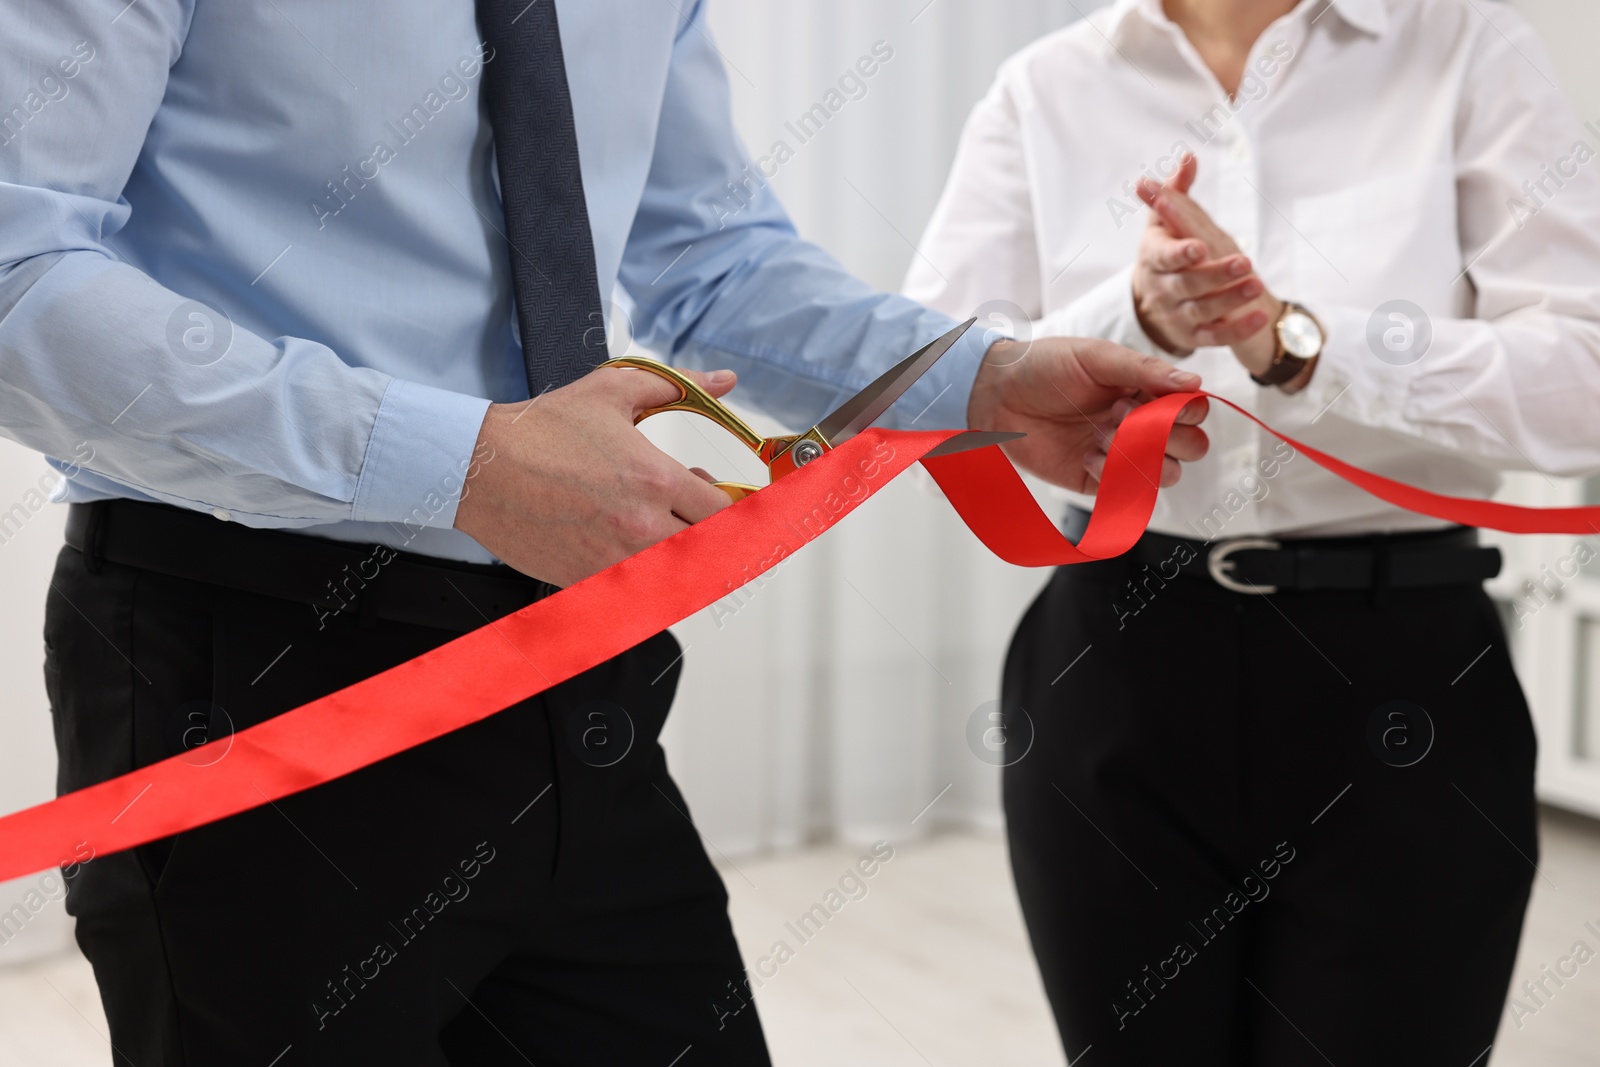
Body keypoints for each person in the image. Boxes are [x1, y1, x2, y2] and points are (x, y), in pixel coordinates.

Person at [0, 1, 1209, 1064]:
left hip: (575, 670)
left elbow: (709, 258)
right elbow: (19, 269)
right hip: (251, 677)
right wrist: (459, 462)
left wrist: (979, 383)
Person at [906, 0, 1600, 1062]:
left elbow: (1583, 381)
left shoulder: (1466, 47)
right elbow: (927, 401)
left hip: (1403, 682)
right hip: (1115, 665)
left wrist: (1298, 343)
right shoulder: (1042, 86)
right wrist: (1127, 318)